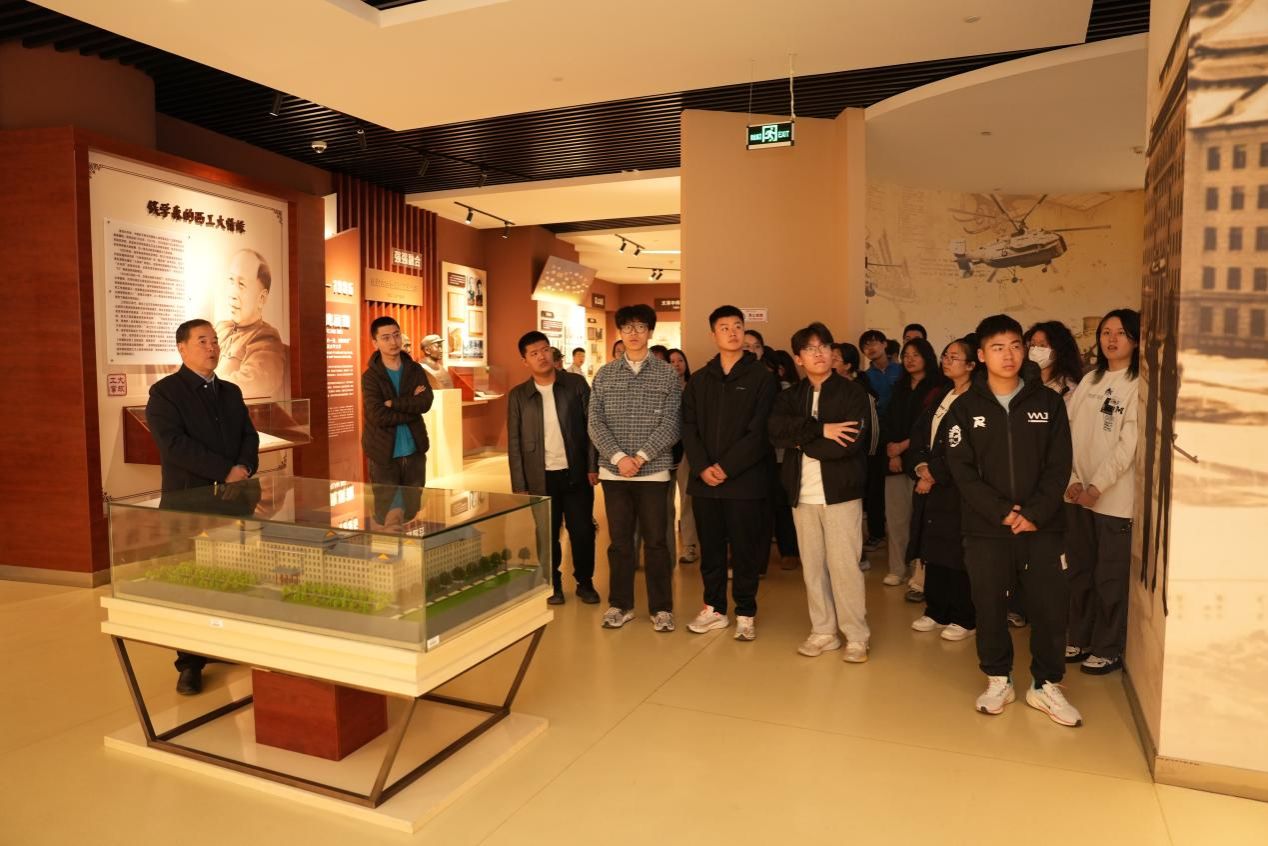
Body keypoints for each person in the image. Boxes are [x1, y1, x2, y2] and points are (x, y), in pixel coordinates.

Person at [946, 314, 1081, 727]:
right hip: (986, 528)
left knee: (1050, 606)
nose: (1009, 355)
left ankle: (1046, 684)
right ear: (981, 355)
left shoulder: (1048, 403)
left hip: (1043, 527)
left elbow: (1059, 464)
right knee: (989, 604)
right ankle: (998, 679)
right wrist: (1000, 511)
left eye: (1016, 346)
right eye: (998, 347)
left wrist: (1035, 513)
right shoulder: (965, 407)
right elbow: (961, 471)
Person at [147, 318, 260, 695]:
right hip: (188, 503)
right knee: (190, 583)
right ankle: (190, 663)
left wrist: (243, 468)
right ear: (182, 348)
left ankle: (225, 642)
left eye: (214, 341)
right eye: (202, 341)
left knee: (233, 574)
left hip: (233, 502)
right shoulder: (165, 393)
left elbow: (249, 435)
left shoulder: (230, 391)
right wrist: (224, 471)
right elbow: (174, 445)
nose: (212, 348)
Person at [770, 323, 871, 662]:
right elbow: (776, 431)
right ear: (799, 358)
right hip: (802, 494)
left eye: (824, 347)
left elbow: (848, 444)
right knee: (812, 568)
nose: (819, 353)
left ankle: (856, 635)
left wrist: (801, 442)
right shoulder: (789, 396)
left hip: (841, 492)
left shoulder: (852, 393)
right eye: (810, 348)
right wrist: (821, 430)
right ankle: (823, 630)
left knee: (845, 568)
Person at [682, 305, 779, 641]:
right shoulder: (700, 379)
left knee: (744, 550)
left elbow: (760, 431)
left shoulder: (762, 378)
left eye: (738, 326)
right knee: (710, 550)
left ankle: (746, 612)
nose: (733, 332)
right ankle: (714, 608)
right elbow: (688, 427)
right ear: (714, 335)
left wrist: (726, 467)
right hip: (705, 482)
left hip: (745, 482)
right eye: (724, 327)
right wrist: (702, 467)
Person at [588, 304, 681, 631]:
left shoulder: (667, 374)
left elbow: (672, 424)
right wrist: (618, 458)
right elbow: (595, 422)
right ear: (620, 332)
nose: (634, 333)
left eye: (641, 327)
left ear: (650, 332)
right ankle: (620, 604)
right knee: (620, 542)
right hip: (614, 472)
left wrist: (640, 458)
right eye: (627, 327)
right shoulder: (605, 374)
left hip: (654, 472)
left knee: (657, 542)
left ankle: (662, 608)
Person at [1064, 309, 1140, 675]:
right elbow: (1067, 434)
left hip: (1113, 501)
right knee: (1079, 572)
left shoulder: (1136, 383)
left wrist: (1096, 487)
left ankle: (1108, 648)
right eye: (1106, 332)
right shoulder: (1089, 380)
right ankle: (1079, 637)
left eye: (1121, 333)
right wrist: (1072, 480)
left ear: (1136, 340)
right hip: (1077, 496)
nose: (1111, 339)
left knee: (1109, 579)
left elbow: (1128, 445)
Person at [507, 331, 600, 605]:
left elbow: (592, 427)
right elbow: (514, 441)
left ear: (552, 351)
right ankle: (553, 584)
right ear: (525, 360)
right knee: (546, 534)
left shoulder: (576, 384)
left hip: (575, 472)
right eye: (534, 353)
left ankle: (585, 582)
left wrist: (593, 465)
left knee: (582, 531)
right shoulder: (518, 395)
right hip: (540, 476)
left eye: (545, 350)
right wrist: (519, 483)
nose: (542, 356)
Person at [906, 336, 979, 642]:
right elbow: (920, 434)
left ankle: (964, 616)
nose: (946, 361)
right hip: (932, 485)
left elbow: (966, 449)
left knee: (956, 552)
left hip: (957, 488)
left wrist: (933, 474)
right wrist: (921, 467)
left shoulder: (976, 400)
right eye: (946, 356)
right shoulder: (943, 394)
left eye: (954, 357)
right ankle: (936, 610)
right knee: (933, 548)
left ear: (972, 365)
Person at [881, 338, 946, 596]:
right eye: (906, 355)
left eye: (915, 354)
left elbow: (929, 427)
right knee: (896, 519)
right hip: (895, 461)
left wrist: (902, 447)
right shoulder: (899, 387)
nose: (909, 359)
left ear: (927, 357)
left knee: (923, 521)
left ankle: (921, 574)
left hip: (923, 463)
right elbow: (888, 421)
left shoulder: (938, 388)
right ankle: (897, 568)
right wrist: (892, 450)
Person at [361, 317, 433, 500]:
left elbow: (425, 403)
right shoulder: (370, 377)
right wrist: (412, 407)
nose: (393, 342)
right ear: (375, 343)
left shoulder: (415, 369)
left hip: (415, 452)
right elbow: (378, 416)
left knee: (412, 508)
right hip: (383, 454)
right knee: (388, 510)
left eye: (396, 335)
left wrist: (394, 403)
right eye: (386, 338)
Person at [215, 248, 285, 400]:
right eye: (231, 281)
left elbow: (254, 383)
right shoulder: (221, 328)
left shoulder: (267, 339)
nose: (232, 294)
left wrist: (202, 388)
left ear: (261, 298)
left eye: (241, 284)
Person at [859, 329, 902, 547]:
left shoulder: (901, 370)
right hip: (876, 435)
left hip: (900, 432)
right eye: (866, 346)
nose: (871, 348)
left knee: (899, 487)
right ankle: (877, 534)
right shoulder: (865, 377)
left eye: (874, 342)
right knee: (875, 486)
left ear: (885, 344)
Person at [766, 349, 801, 570]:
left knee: (783, 506)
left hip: (784, 457)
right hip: (766, 457)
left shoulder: (790, 391)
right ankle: (788, 551)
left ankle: (790, 551)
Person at [668, 349, 699, 564]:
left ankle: (690, 545)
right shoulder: (661, 387)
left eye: (680, 360)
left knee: (688, 499)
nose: (677, 364)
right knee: (664, 502)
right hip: (664, 451)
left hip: (687, 449)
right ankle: (666, 546)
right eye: (672, 361)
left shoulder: (693, 386)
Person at [1024, 321, 1084, 401]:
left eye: (1042, 345)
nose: (1035, 350)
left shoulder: (1068, 389)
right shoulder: (1022, 381)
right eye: (1032, 345)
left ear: (1058, 350)